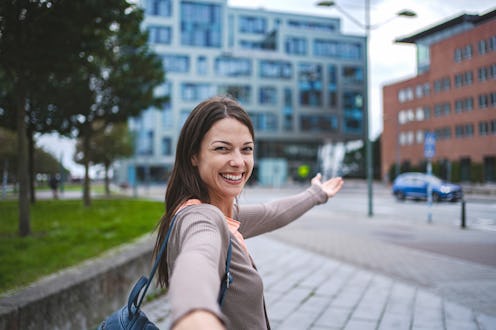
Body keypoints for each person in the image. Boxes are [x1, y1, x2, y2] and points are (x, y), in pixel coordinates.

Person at [154, 96, 343, 330]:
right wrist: (195, 314)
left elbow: (272, 212)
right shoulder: (201, 217)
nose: (238, 162)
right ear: (194, 155)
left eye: (246, 149)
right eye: (222, 148)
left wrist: (316, 193)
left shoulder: (225, 214)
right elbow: (198, 258)